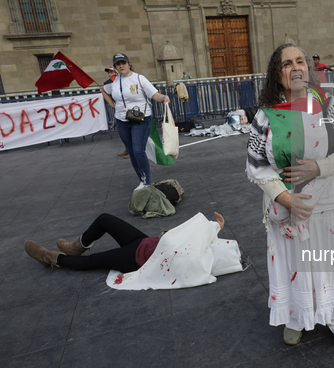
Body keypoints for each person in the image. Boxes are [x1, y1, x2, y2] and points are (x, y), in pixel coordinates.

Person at [246, 44, 334, 352]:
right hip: (285, 210)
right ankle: (296, 317)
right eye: (287, 63)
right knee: (293, 264)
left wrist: (319, 166)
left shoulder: (327, 103)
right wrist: (286, 199)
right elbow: (255, 165)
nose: (296, 67)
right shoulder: (265, 115)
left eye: (300, 60)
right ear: (277, 72)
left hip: (328, 206)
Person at [24, 212, 224, 272]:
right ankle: (75, 248)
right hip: (144, 242)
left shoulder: (198, 260)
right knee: (104, 219)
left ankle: (49, 257)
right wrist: (215, 228)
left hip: (137, 258)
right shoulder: (202, 243)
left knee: (92, 262)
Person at [102, 53, 170, 191]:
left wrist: (164, 98)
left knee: (139, 150)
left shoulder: (139, 78)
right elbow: (104, 91)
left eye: (123, 63)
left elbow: (155, 95)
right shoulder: (114, 81)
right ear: (115, 67)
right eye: (118, 64)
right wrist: (112, 105)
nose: (121, 66)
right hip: (121, 120)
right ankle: (142, 180)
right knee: (131, 151)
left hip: (141, 119)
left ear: (129, 64)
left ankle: (147, 182)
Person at [104, 66, 130, 159]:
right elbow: (104, 91)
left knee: (130, 132)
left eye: (111, 72)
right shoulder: (110, 82)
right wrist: (112, 104)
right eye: (109, 73)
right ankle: (128, 149)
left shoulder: (121, 79)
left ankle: (132, 151)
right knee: (124, 133)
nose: (110, 74)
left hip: (129, 110)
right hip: (120, 111)